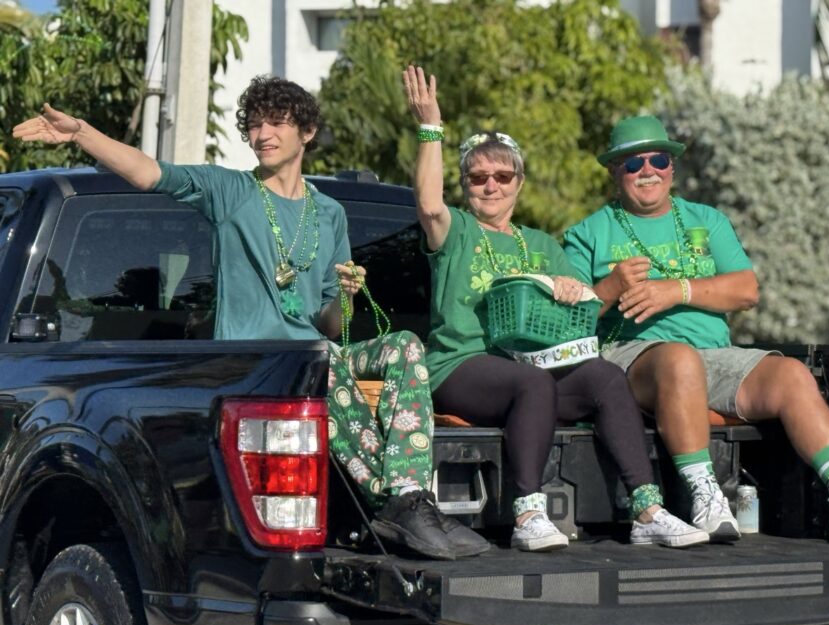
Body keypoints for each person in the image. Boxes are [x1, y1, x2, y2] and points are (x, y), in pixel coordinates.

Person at [13, 75, 489, 560]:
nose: (263, 134)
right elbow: (148, 172)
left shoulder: (329, 214)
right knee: (324, 368)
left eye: (276, 123)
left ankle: (408, 496)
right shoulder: (230, 191)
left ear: (306, 132)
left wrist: (344, 298)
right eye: (255, 125)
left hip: (318, 356)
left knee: (403, 345)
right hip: (260, 365)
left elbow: (328, 324)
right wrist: (81, 133)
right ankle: (397, 507)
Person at [402, 66, 708, 551]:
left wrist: (573, 289)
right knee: (532, 381)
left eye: (502, 175)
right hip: (459, 367)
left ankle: (647, 510)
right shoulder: (455, 229)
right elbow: (428, 203)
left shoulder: (543, 244)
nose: (491, 185)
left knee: (605, 376)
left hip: (531, 374)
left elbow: (580, 323)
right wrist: (430, 126)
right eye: (478, 177)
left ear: (519, 183)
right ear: (465, 185)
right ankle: (528, 514)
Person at [562, 114, 829, 543]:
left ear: (672, 167)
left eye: (658, 160)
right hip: (629, 356)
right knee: (679, 361)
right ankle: (707, 496)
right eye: (632, 164)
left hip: (712, 356)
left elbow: (746, 289)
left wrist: (676, 290)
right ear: (614, 172)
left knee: (791, 374)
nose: (647, 171)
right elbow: (567, 325)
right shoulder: (588, 233)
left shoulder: (707, 220)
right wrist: (609, 287)